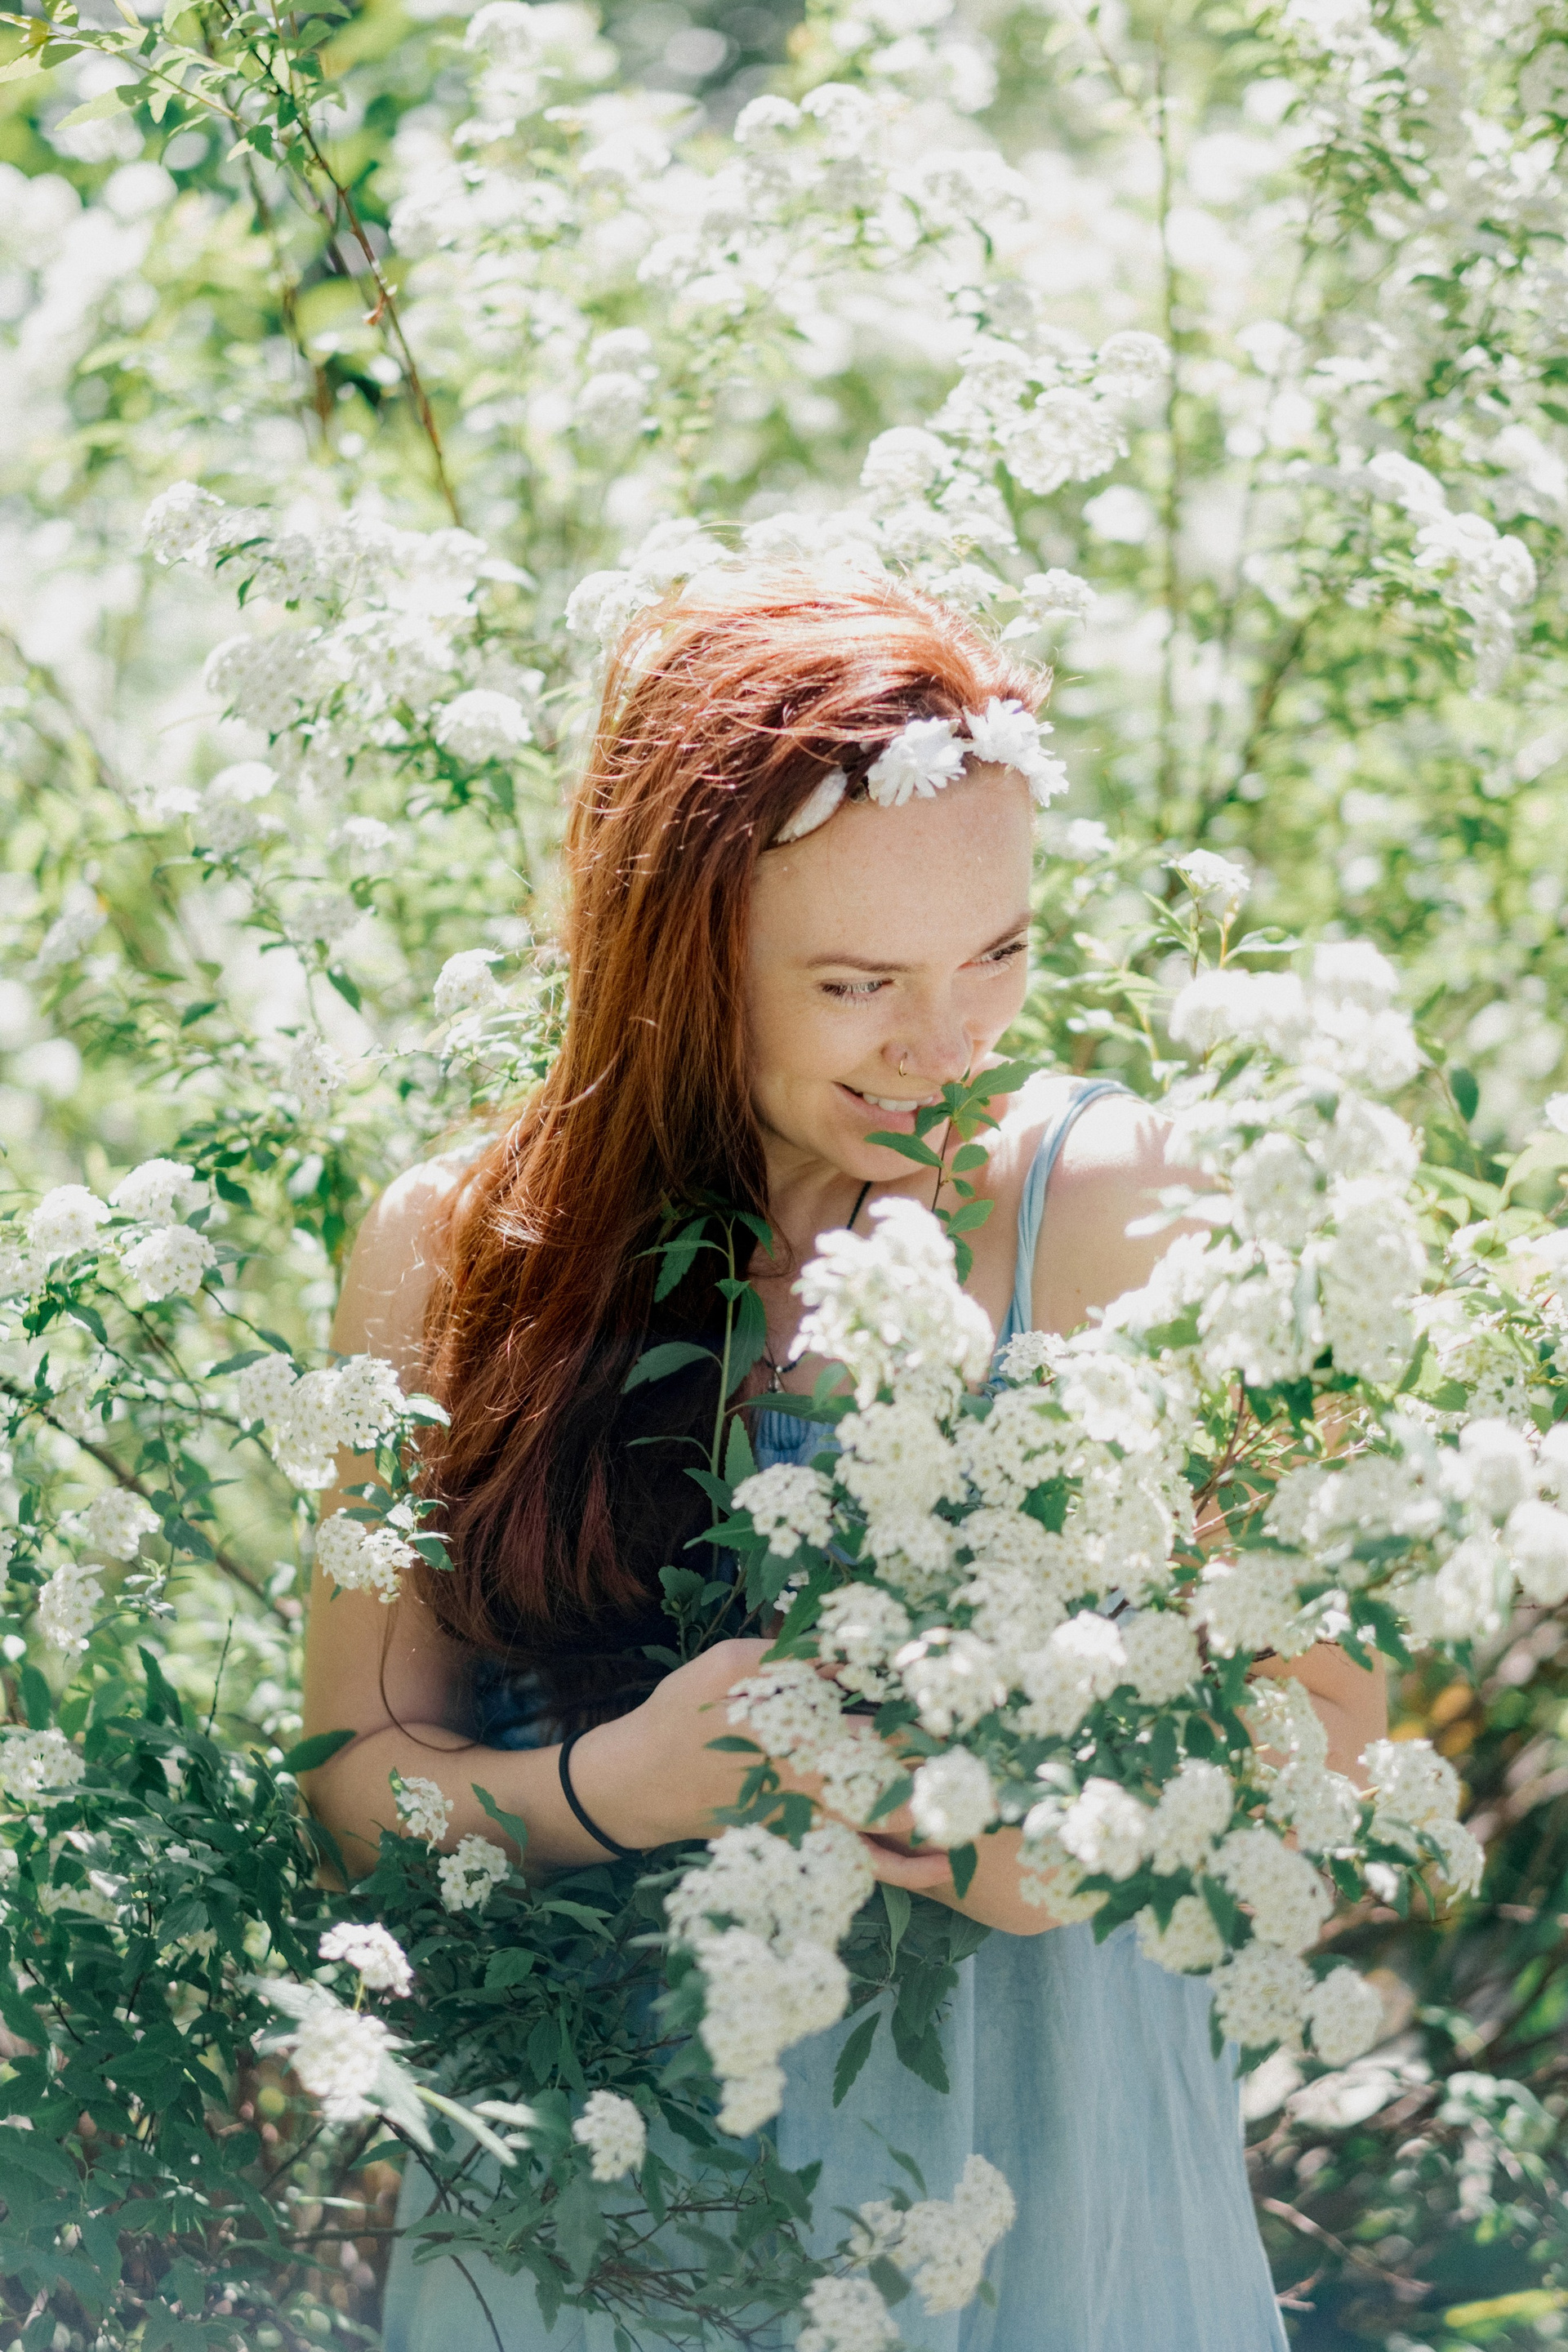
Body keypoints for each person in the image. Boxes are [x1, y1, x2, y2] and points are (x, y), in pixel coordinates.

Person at [300, 570, 1387, 2351]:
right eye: (858, 982)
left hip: (1038, 2221)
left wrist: (1085, 1853)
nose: (948, 1047)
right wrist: (616, 1789)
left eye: (1000, 955)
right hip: (586, 2241)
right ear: (676, 958)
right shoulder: (456, 1249)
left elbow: (1333, 1725)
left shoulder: (1120, 1208)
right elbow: (354, 1790)